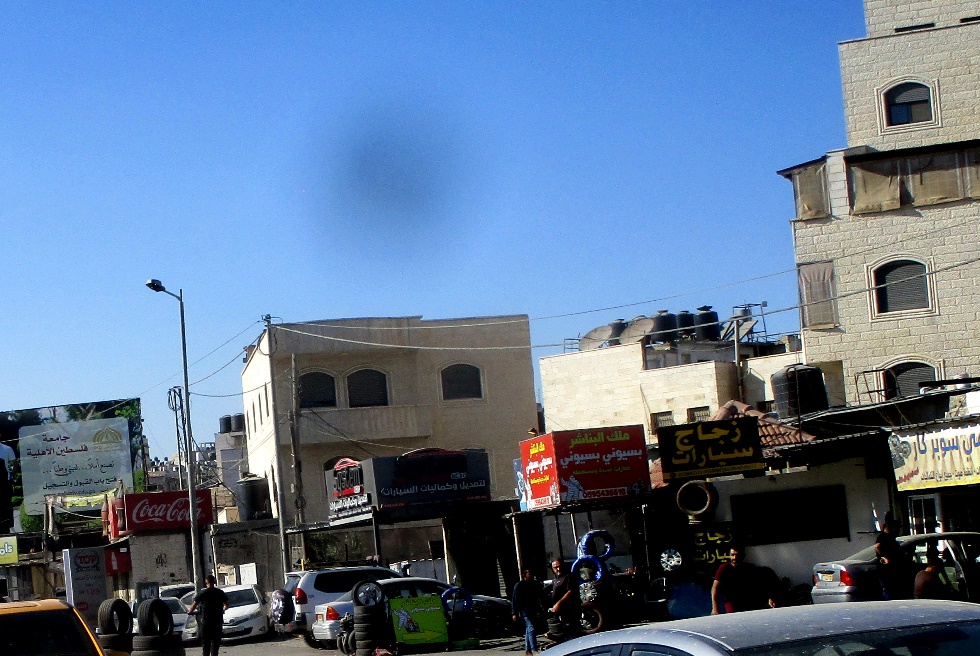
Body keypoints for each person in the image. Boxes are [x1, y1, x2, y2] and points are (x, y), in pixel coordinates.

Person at [711, 546, 777, 614]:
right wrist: (715, 608)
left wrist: (770, 598)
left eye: (737, 555)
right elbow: (715, 588)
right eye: (732, 555)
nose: (735, 558)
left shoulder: (749, 568)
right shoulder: (724, 568)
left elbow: (761, 584)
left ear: (743, 556)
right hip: (732, 603)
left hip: (749, 602)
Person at [187, 575, 229, 656]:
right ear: (214, 582)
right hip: (217, 622)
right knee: (215, 645)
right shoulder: (220, 592)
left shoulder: (202, 593)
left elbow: (194, 605)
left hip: (206, 622)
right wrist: (222, 609)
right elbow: (226, 604)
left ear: (206, 583)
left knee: (206, 645)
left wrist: (189, 611)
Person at [875, 514, 908, 600]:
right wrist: (885, 557)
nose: (896, 530)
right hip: (886, 571)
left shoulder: (892, 538)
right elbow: (877, 546)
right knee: (888, 592)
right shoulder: (883, 537)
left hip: (892, 571)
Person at [511, 569, 543, 655]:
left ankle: (528, 650)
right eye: (530, 574)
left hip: (533, 610)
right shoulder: (519, 585)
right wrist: (514, 612)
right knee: (531, 627)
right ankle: (534, 649)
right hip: (524, 610)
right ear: (525, 575)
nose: (532, 576)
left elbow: (540, 596)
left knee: (528, 629)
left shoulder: (534, 584)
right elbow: (514, 599)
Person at [549, 559, 581, 640]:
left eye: (560, 566)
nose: (558, 569)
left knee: (572, 632)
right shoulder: (556, 579)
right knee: (564, 632)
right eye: (556, 567)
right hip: (561, 612)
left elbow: (571, 591)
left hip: (570, 610)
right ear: (553, 568)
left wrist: (558, 604)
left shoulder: (569, 576)